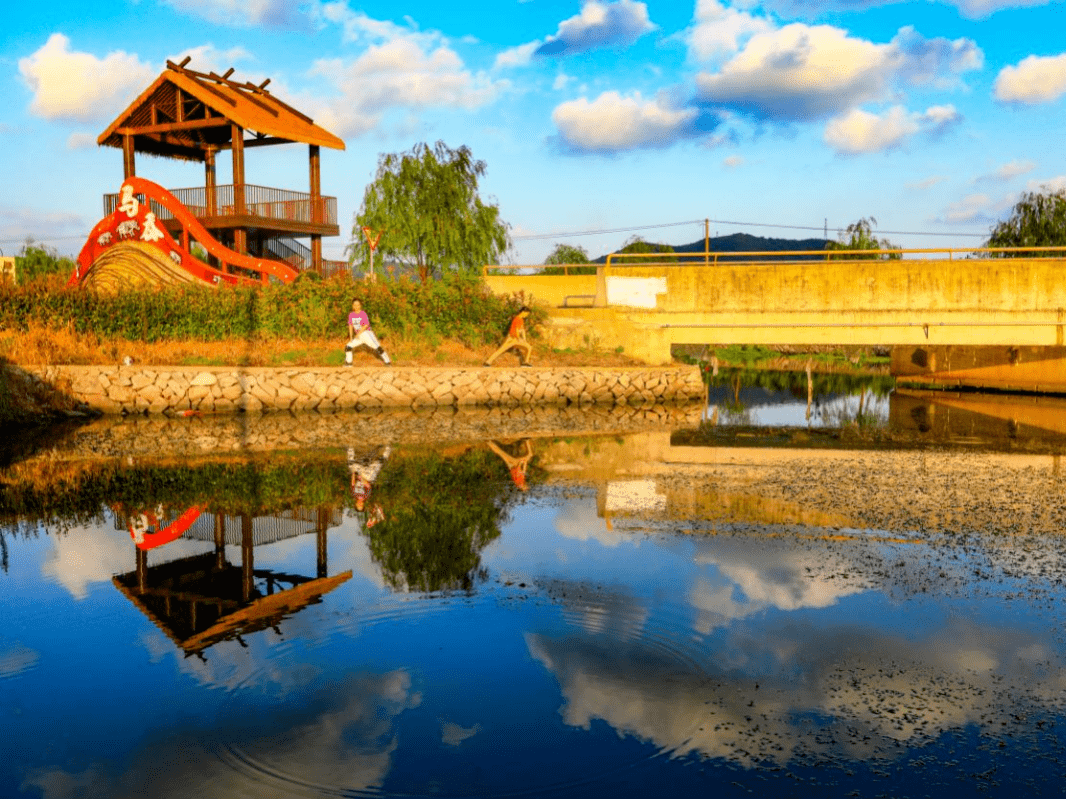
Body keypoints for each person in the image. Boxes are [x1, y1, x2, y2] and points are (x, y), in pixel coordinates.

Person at [345, 298, 391, 365]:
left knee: (376, 346)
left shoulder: (363, 314)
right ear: (352, 306)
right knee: (348, 346)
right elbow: (350, 325)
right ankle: (349, 363)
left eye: (358, 305)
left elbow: (366, 325)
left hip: (366, 334)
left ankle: (387, 361)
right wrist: (351, 337)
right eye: (355, 305)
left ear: (360, 305)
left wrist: (359, 333)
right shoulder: (351, 315)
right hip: (359, 336)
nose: (356, 306)